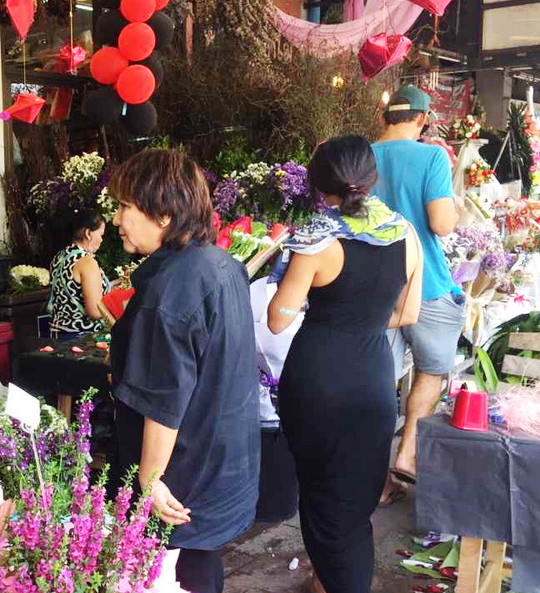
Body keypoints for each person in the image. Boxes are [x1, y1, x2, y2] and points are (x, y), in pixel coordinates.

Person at [269, 136, 423, 593]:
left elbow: (279, 319)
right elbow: (407, 314)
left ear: (318, 183)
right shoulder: (404, 233)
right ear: (371, 178)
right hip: (375, 375)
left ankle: (338, 580)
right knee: (354, 501)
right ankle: (334, 579)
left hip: (319, 378)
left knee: (321, 498)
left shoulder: (317, 242)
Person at [110, 149, 259, 593]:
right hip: (222, 461)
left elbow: (165, 401)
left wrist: (150, 478)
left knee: (177, 576)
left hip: (184, 476)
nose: (117, 219)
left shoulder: (171, 290)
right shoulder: (222, 264)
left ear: (164, 215)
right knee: (200, 567)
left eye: (125, 207)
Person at [372, 85, 463, 498]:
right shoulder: (431, 156)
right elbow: (442, 223)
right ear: (423, 120)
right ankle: (406, 454)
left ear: (385, 117)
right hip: (425, 285)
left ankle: (374, 480)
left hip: (373, 287)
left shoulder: (361, 156)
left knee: (378, 379)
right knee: (432, 369)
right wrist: (457, 207)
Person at [47, 208, 110, 338]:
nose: (102, 240)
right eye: (101, 235)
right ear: (88, 233)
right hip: (82, 339)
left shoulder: (60, 257)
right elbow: (95, 311)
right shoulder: (87, 262)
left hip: (57, 333)